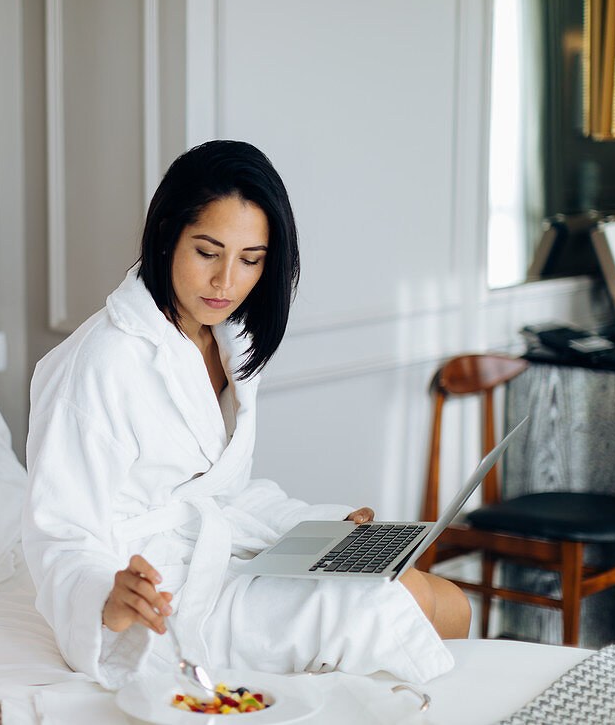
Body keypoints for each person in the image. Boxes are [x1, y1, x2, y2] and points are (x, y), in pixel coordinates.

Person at [23, 140, 467, 690]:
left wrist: (326, 529)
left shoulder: (228, 340)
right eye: (208, 252)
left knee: (445, 598)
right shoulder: (100, 362)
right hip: (165, 595)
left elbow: (222, 493)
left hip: (228, 552)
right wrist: (107, 602)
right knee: (401, 601)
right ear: (166, 235)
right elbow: (60, 536)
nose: (226, 282)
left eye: (250, 260)